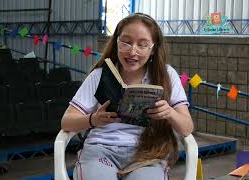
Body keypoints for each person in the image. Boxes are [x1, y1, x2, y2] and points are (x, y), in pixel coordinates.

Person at [61, 13, 193, 180]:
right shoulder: (100, 75)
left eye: (142, 45)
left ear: (153, 49)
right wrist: (93, 119)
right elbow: (66, 121)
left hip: (147, 153)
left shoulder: (167, 75)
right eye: (126, 42)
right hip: (100, 150)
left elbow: (187, 127)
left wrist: (170, 113)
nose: (132, 51)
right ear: (117, 43)